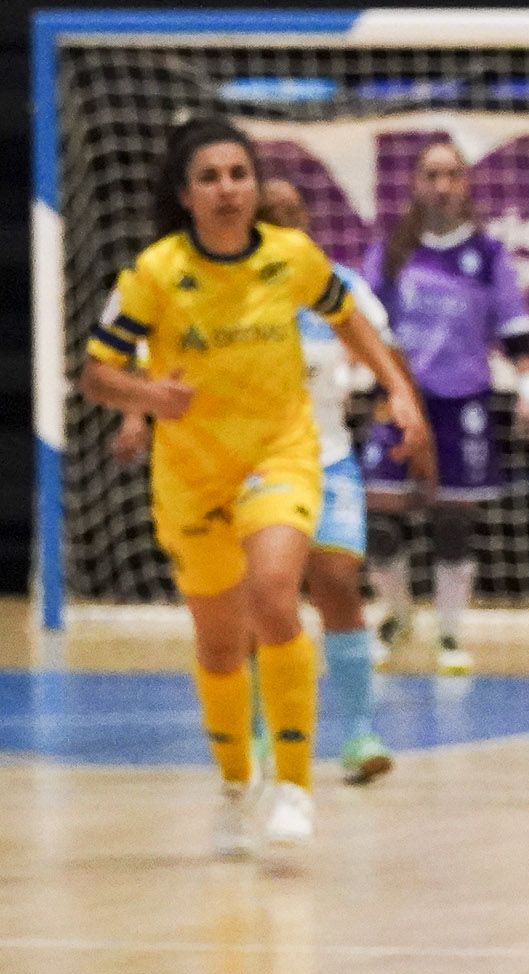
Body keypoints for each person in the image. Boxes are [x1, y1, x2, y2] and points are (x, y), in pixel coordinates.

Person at [81, 115, 429, 854]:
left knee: (276, 592)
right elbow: (96, 372)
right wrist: (147, 399)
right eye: (209, 177)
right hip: (192, 474)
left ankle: (296, 788)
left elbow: (349, 317)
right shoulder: (153, 274)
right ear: (184, 194)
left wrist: (395, 388)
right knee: (218, 643)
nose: (227, 189)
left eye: (237, 174)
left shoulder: (291, 257)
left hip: (282, 455)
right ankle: (239, 782)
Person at [362, 137, 529, 675]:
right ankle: (396, 617)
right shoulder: (392, 250)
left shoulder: (486, 256)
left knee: (452, 523)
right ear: (415, 184)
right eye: (431, 175)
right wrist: (355, 372)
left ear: (465, 185)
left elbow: (515, 332)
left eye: (451, 175)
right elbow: (362, 323)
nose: (441, 186)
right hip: (397, 400)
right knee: (380, 524)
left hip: (461, 401)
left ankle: (448, 635)